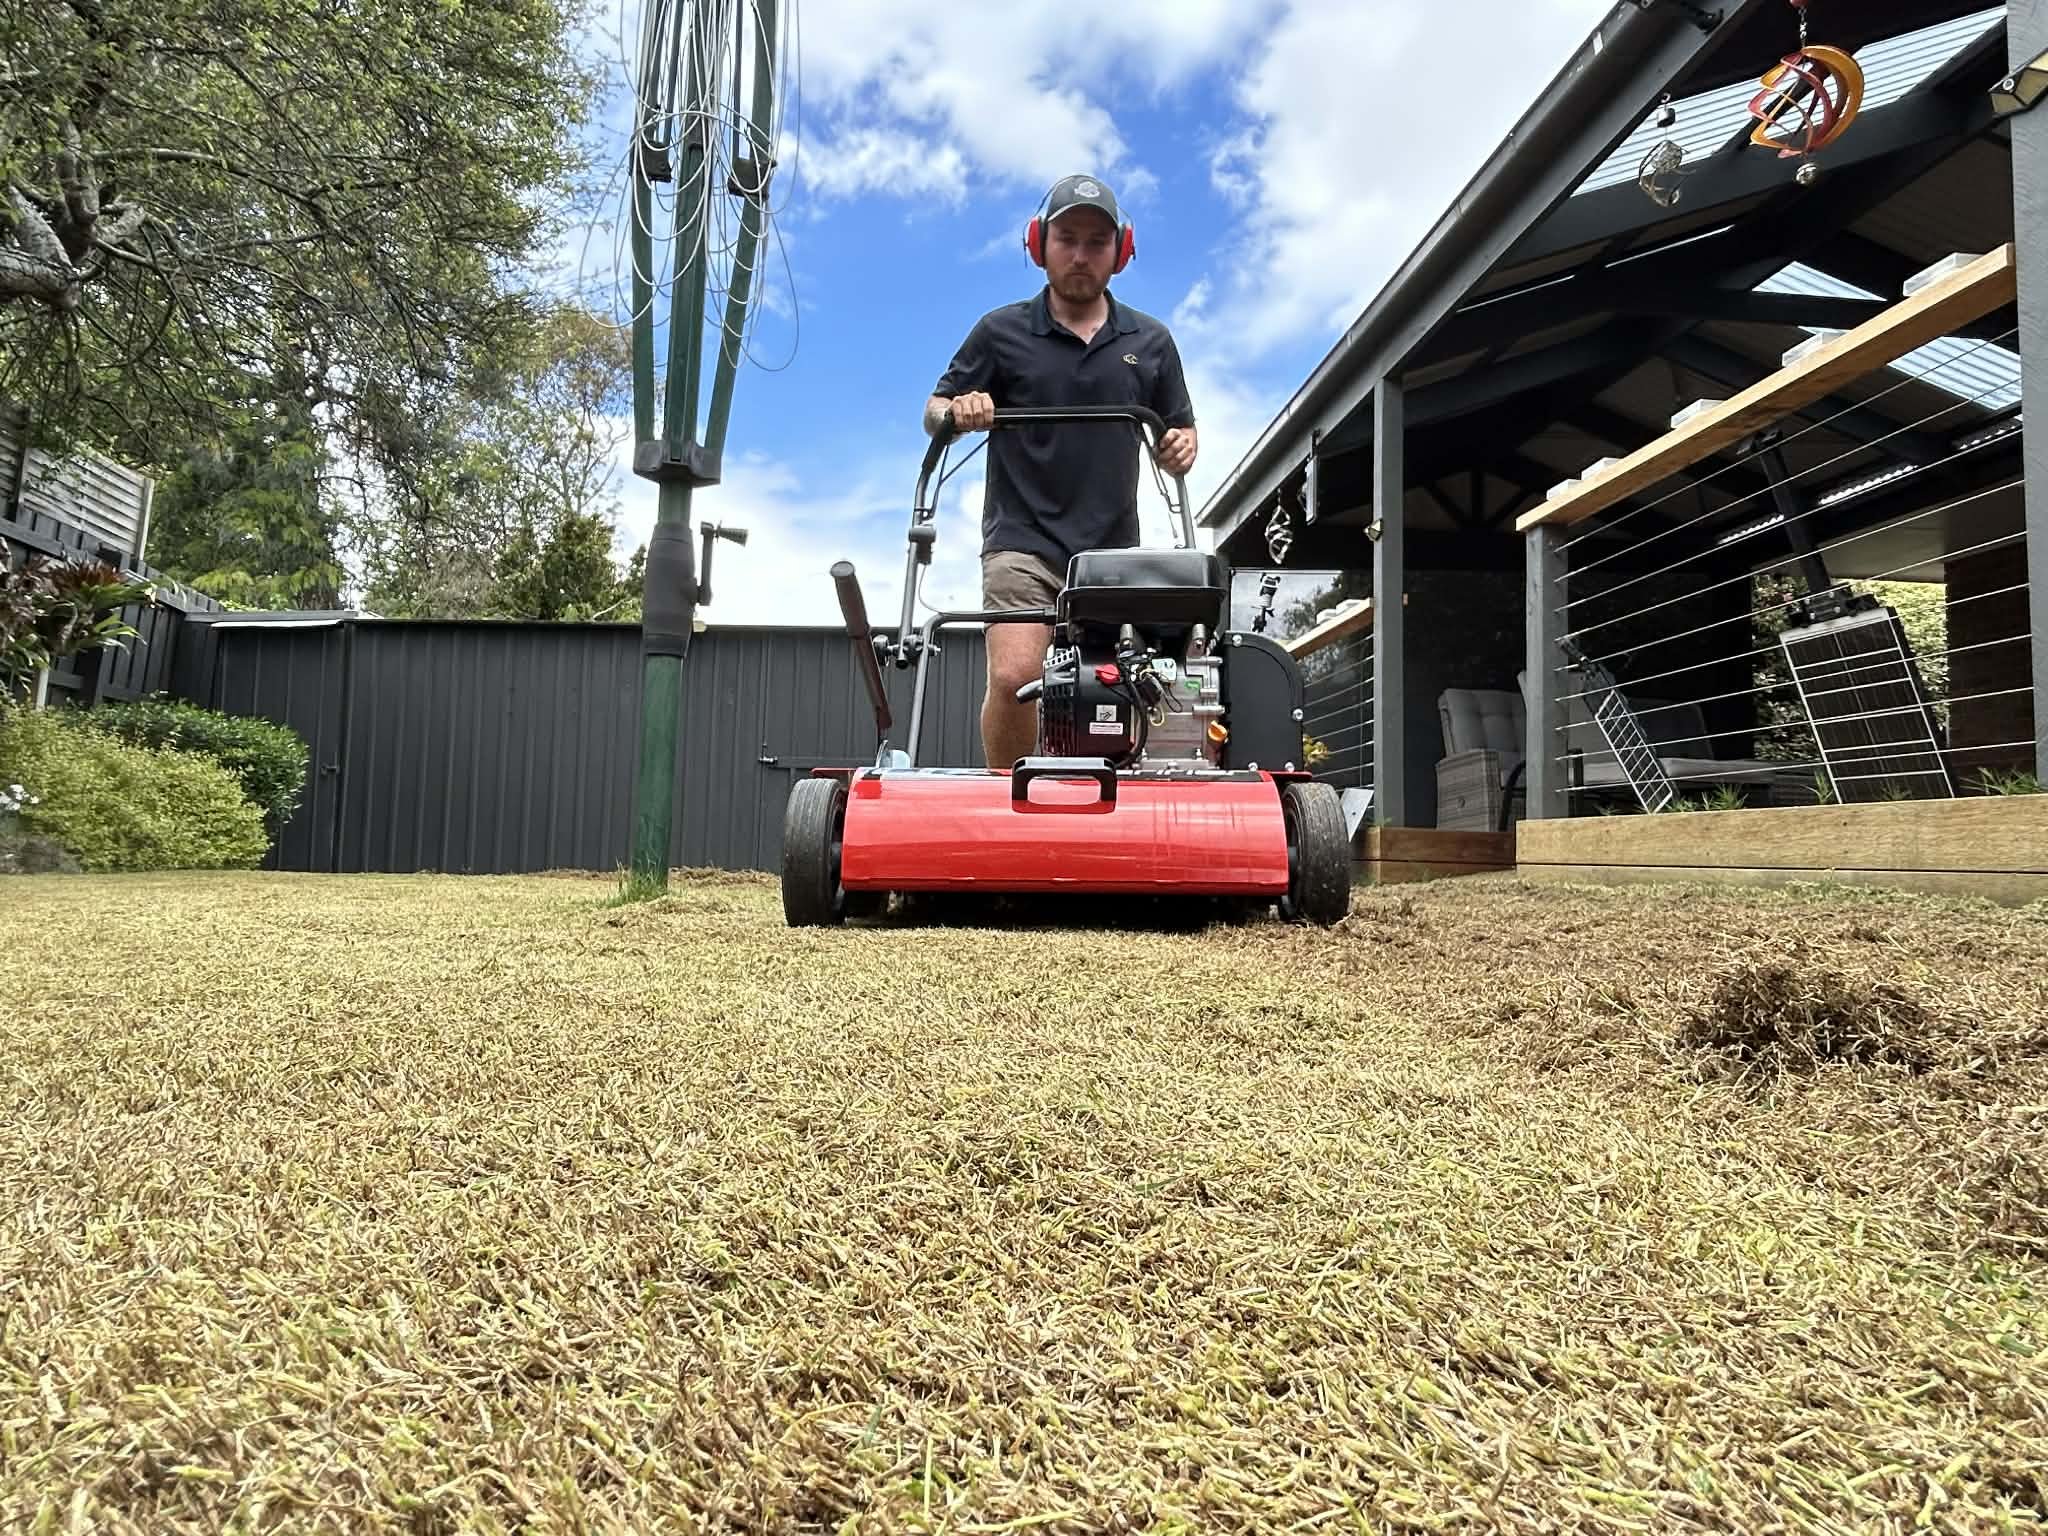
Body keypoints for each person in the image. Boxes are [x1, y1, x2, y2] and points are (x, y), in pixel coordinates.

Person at [924, 172, 1198, 771]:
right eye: (1066, 238)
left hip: (1112, 552)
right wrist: (961, 410)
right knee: (1018, 675)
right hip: (1022, 538)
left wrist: (1180, 446)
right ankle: (1007, 801)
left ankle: (1108, 813)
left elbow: (1178, 431)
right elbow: (934, 410)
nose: (1080, 254)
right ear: (1038, 245)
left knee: (1114, 684)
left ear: (1120, 252)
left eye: (1096, 242)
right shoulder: (999, 332)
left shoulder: (1151, 341)